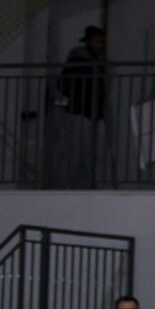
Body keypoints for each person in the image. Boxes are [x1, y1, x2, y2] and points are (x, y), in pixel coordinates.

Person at [49, 25, 105, 188]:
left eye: (102, 42)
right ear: (89, 41)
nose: (100, 45)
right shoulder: (81, 59)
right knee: (75, 151)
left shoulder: (94, 58)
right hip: (80, 111)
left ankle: (74, 185)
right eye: (97, 41)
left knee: (82, 151)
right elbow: (69, 83)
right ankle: (68, 185)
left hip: (86, 111)